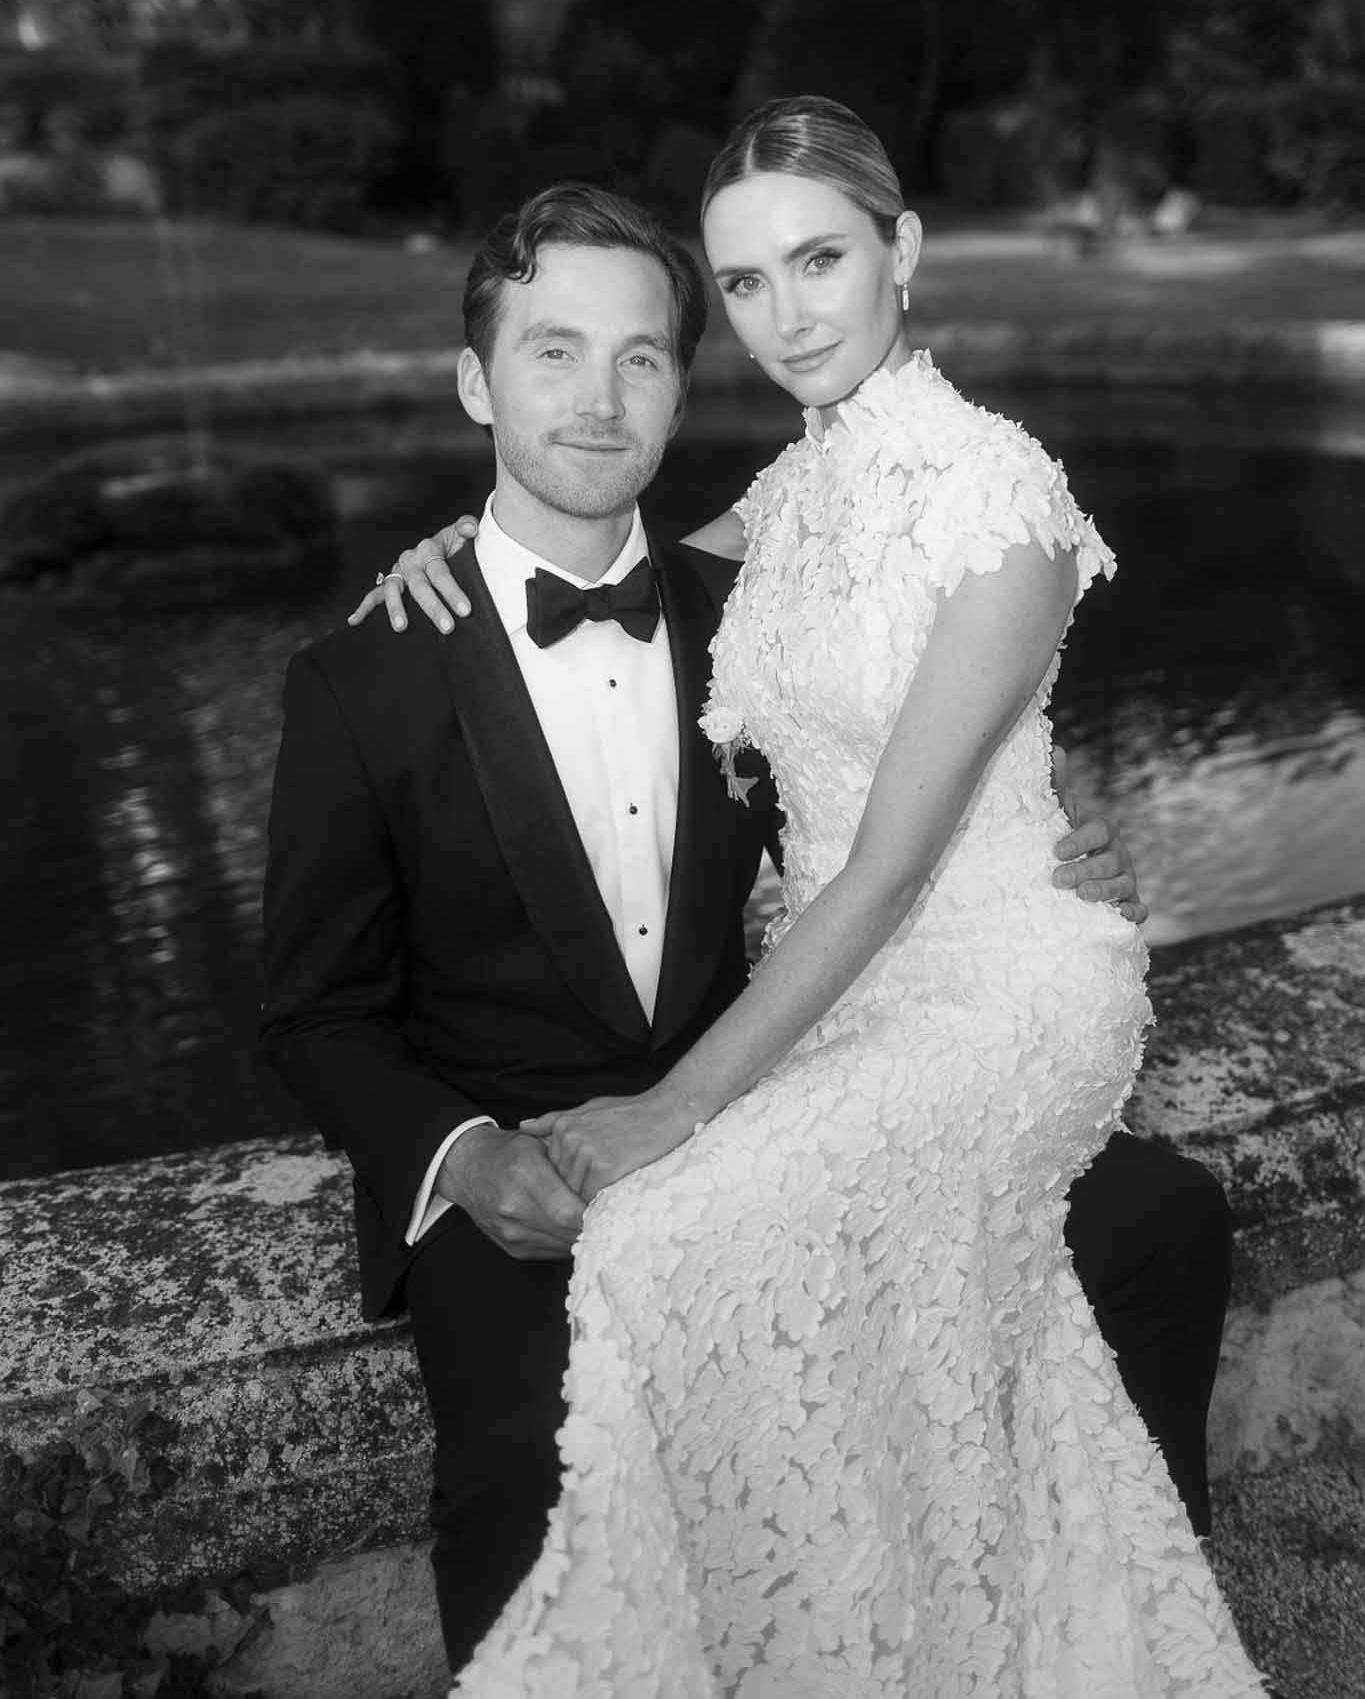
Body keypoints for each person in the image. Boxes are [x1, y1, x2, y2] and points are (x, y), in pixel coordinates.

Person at [299, 132, 1255, 1690]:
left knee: (669, 1236)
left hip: (985, 983)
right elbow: (585, 568)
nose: (787, 314)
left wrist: (660, 1114)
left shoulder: (1000, 500)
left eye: (818, 259)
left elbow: (886, 868)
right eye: (744, 280)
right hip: (838, 1002)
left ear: (904, 249)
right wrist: (451, 562)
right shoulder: (782, 502)